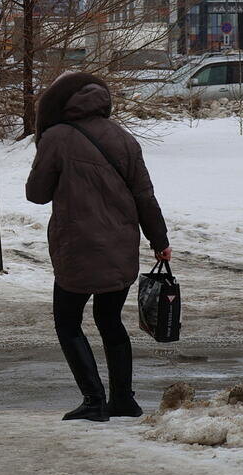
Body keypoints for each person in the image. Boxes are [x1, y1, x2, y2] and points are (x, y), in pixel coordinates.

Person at [25, 72, 171, 422]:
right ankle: (122, 399)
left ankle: (93, 400)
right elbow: (144, 196)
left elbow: (36, 194)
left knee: (67, 320)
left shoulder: (56, 137)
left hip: (77, 246)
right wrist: (160, 240)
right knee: (109, 319)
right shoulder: (124, 138)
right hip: (121, 246)